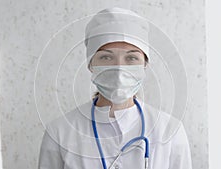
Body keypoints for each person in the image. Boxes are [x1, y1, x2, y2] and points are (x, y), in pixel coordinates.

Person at [38, 7, 192, 169]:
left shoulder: (170, 131)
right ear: (91, 64)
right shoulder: (59, 133)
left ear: (145, 65)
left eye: (131, 58)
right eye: (106, 57)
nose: (119, 69)